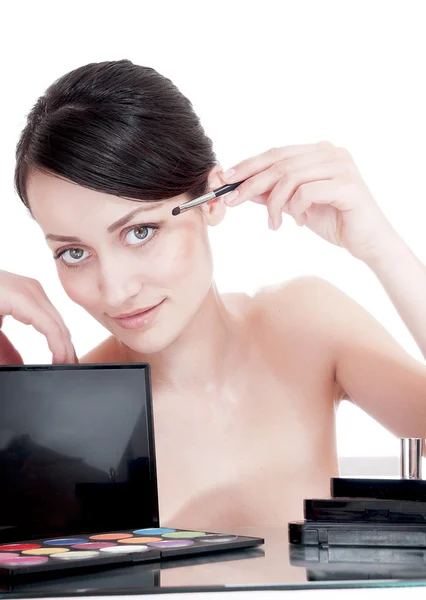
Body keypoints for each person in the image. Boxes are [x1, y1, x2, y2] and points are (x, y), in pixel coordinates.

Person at [1, 60, 425, 529]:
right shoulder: (70, 419)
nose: (117, 290)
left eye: (141, 231)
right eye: (74, 253)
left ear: (214, 197)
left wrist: (383, 248)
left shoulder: (304, 324)